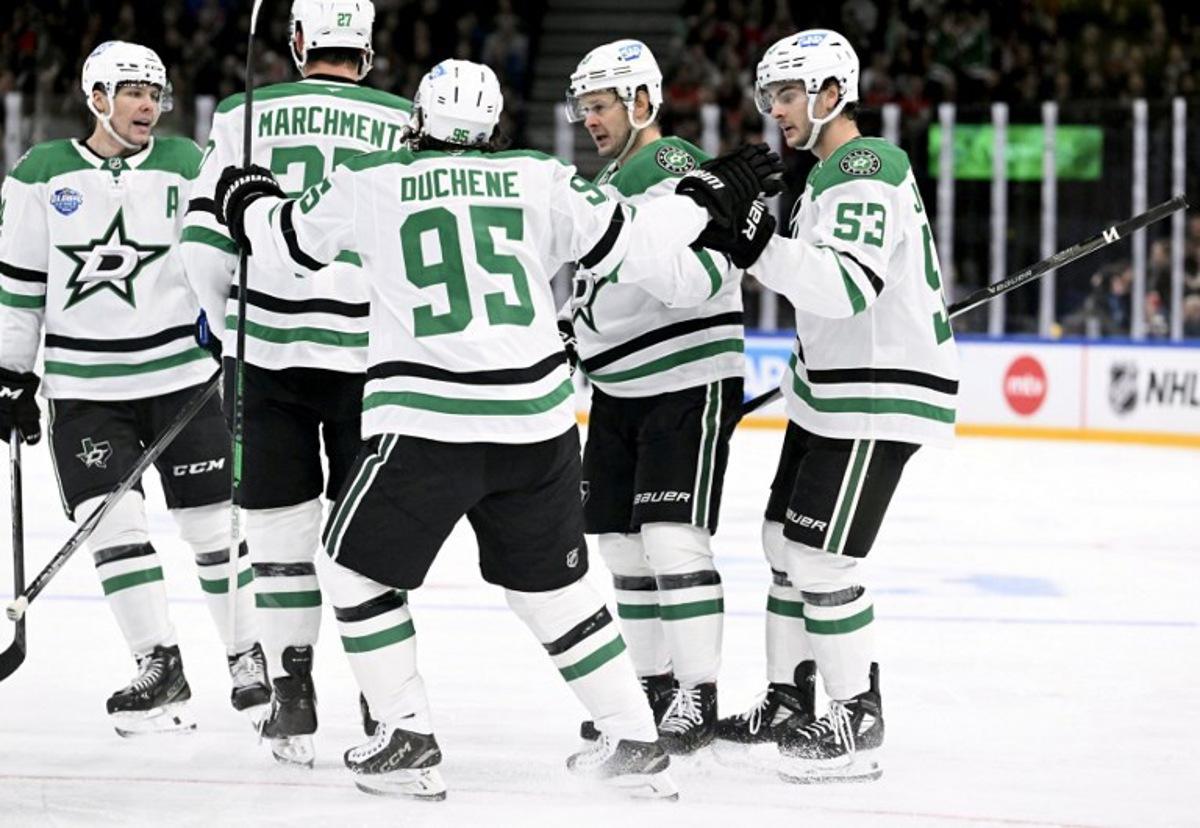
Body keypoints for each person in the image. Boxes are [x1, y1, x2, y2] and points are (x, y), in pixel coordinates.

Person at [213, 59, 780, 799]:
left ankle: (405, 733)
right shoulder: (537, 175)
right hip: (536, 422)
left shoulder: (373, 177)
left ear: (417, 121)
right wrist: (707, 191)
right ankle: (635, 735)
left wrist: (245, 198)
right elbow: (641, 239)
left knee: (354, 570)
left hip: (426, 422)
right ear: (492, 127)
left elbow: (282, 244)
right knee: (556, 593)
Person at [705, 29, 960, 783]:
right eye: (771, 95)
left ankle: (854, 716)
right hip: (832, 393)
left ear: (829, 93)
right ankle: (790, 699)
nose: (775, 109)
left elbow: (846, 286)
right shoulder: (821, 176)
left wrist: (756, 249)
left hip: (874, 400)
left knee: (820, 557)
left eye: (787, 94)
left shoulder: (863, 164)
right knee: (784, 542)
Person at [0, 41, 268, 736]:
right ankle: (159, 664)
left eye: (155, 91)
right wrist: (10, 374)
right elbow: (20, 286)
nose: (149, 103)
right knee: (111, 528)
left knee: (212, 527)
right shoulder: (41, 173)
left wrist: (228, 312)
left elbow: (223, 256)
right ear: (96, 98)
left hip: (181, 380)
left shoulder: (189, 163)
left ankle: (247, 656)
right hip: (86, 389)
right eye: (133, 91)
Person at [180, 0, 411, 767]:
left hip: (268, 357)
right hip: (370, 361)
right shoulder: (403, 117)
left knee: (278, 542)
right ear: (367, 48)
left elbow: (204, 236)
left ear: (300, 41)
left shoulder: (247, 111)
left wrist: (221, 323)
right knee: (370, 545)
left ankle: (294, 695)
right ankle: (387, 704)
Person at [562, 39, 744, 754]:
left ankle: (697, 696)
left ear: (642, 101)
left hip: (684, 377)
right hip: (619, 386)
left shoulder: (667, 165)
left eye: (602, 106)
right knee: (621, 546)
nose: (592, 120)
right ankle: (656, 687)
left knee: (671, 539)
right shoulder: (613, 178)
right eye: (585, 109)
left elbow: (703, 272)